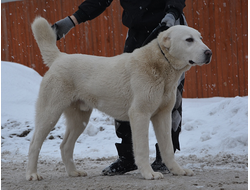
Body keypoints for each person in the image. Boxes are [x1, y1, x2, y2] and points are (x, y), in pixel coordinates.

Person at [52, 0, 187, 176]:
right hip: (138, 32)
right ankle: (127, 156)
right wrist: (73, 19)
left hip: (170, 31)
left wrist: (172, 12)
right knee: (122, 91)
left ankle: (165, 158)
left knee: (169, 98)